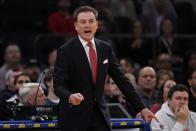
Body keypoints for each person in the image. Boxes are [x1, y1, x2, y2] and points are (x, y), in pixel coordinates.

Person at [53, 6, 157, 131]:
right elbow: (58, 85)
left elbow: (121, 80)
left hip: (100, 115)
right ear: (76, 25)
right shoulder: (65, 50)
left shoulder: (105, 48)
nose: (87, 25)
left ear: (96, 24)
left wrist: (141, 108)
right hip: (74, 116)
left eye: (91, 21)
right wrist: (70, 96)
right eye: (83, 22)